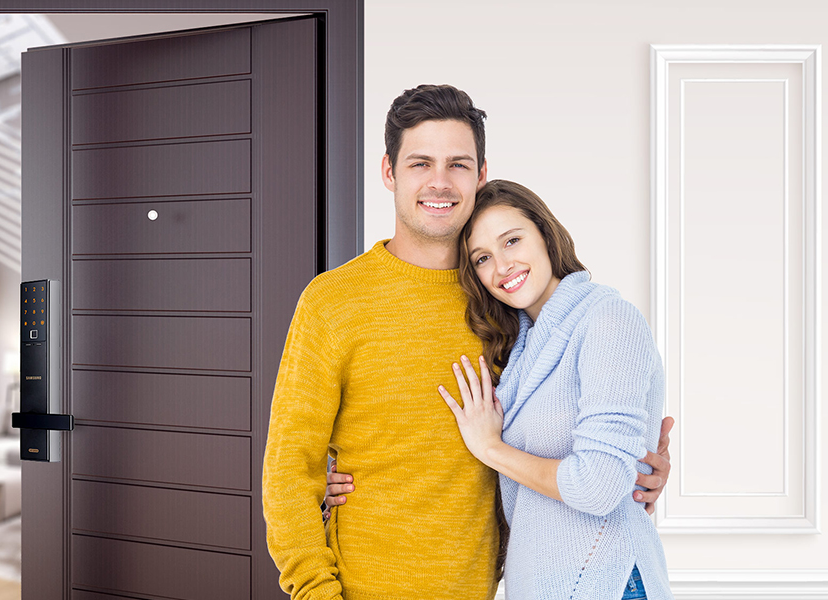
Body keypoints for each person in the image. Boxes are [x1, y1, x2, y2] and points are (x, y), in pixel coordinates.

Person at [261, 84, 672, 600]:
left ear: (480, 174)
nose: (439, 182)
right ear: (389, 172)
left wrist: (640, 471)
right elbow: (288, 468)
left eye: (457, 164)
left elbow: (582, 425)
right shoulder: (332, 302)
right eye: (419, 164)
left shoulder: (507, 303)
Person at [327, 180, 672, 599]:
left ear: (546, 233)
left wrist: (491, 447)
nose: (503, 266)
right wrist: (356, 473)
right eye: (483, 258)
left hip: (607, 583)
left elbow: (599, 486)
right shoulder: (523, 347)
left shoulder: (607, 319)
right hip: (538, 584)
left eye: (512, 240)